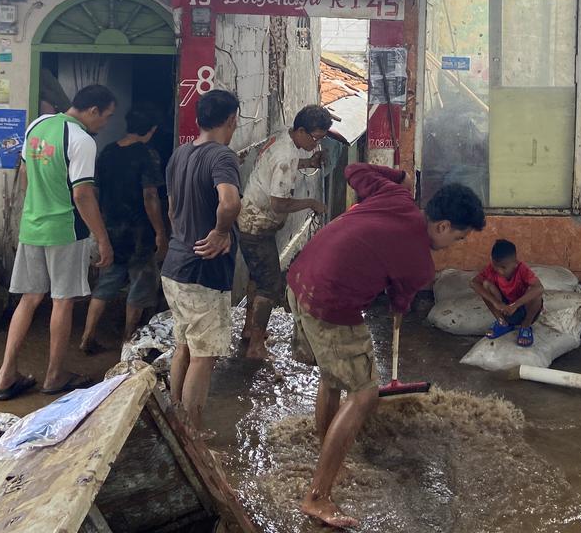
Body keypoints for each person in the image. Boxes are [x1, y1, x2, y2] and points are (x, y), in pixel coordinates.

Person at [286, 167, 485, 529]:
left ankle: (327, 453)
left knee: (332, 378)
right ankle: (317, 496)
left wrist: (397, 175)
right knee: (364, 396)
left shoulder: (395, 196)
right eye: (458, 237)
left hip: (299, 280)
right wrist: (399, 309)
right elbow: (400, 298)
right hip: (330, 302)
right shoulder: (421, 264)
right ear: (441, 227)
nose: (456, 244)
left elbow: (353, 169)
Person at [0, 84, 116, 401]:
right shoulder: (82, 140)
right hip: (66, 230)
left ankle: (6, 375)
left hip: (32, 226)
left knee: (29, 299)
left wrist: (35, 204)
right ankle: (55, 375)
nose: (105, 123)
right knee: (63, 301)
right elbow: (82, 194)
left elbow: (23, 172)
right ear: (92, 111)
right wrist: (102, 239)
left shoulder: (38, 124)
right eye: (106, 116)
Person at [161, 89, 242, 431]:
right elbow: (229, 202)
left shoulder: (179, 154)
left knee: (184, 345)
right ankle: (191, 431)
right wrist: (222, 232)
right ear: (230, 120)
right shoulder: (222, 156)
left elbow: (170, 207)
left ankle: (176, 421)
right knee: (204, 355)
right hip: (202, 273)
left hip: (174, 268)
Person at [238, 104, 332, 359]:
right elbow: (279, 203)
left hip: (251, 220)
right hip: (257, 225)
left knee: (258, 277)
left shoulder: (284, 140)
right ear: (301, 130)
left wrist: (308, 162)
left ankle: (249, 330)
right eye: (315, 138)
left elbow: (288, 163)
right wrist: (311, 203)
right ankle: (256, 347)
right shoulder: (284, 156)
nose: (316, 144)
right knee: (270, 285)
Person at [80, 107, 167, 355]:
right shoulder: (148, 154)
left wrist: (99, 227)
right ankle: (128, 340)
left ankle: (87, 336)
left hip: (110, 228)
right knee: (140, 283)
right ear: (151, 130)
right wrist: (160, 231)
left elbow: (94, 191)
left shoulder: (107, 152)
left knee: (107, 283)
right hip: (139, 231)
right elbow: (150, 195)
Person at [471, 238, 544, 347]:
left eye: (504, 267)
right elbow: (474, 283)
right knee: (486, 285)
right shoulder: (491, 268)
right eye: (496, 267)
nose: (499, 271)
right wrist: (496, 302)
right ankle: (502, 322)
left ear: (515, 263)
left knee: (535, 293)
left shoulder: (522, 269)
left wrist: (515, 305)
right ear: (492, 261)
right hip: (504, 309)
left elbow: (539, 288)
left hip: (524, 309)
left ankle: (525, 326)